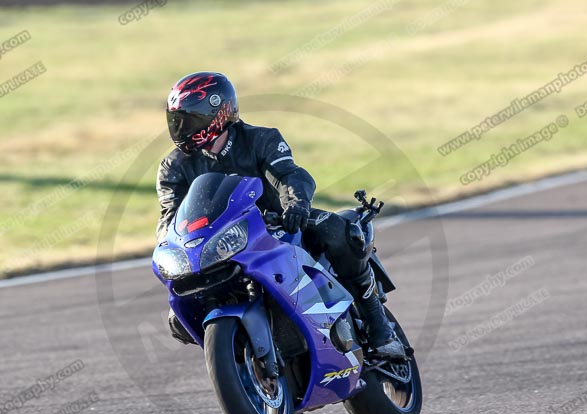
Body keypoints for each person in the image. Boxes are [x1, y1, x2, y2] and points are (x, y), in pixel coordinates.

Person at [156, 71, 405, 359]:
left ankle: (379, 328)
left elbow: (289, 175)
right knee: (181, 318)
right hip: (220, 243)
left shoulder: (261, 139)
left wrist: (296, 205)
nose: (180, 128)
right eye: (176, 120)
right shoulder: (173, 166)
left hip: (279, 224)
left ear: (218, 112)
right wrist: (169, 247)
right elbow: (170, 215)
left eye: (189, 119)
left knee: (341, 233)